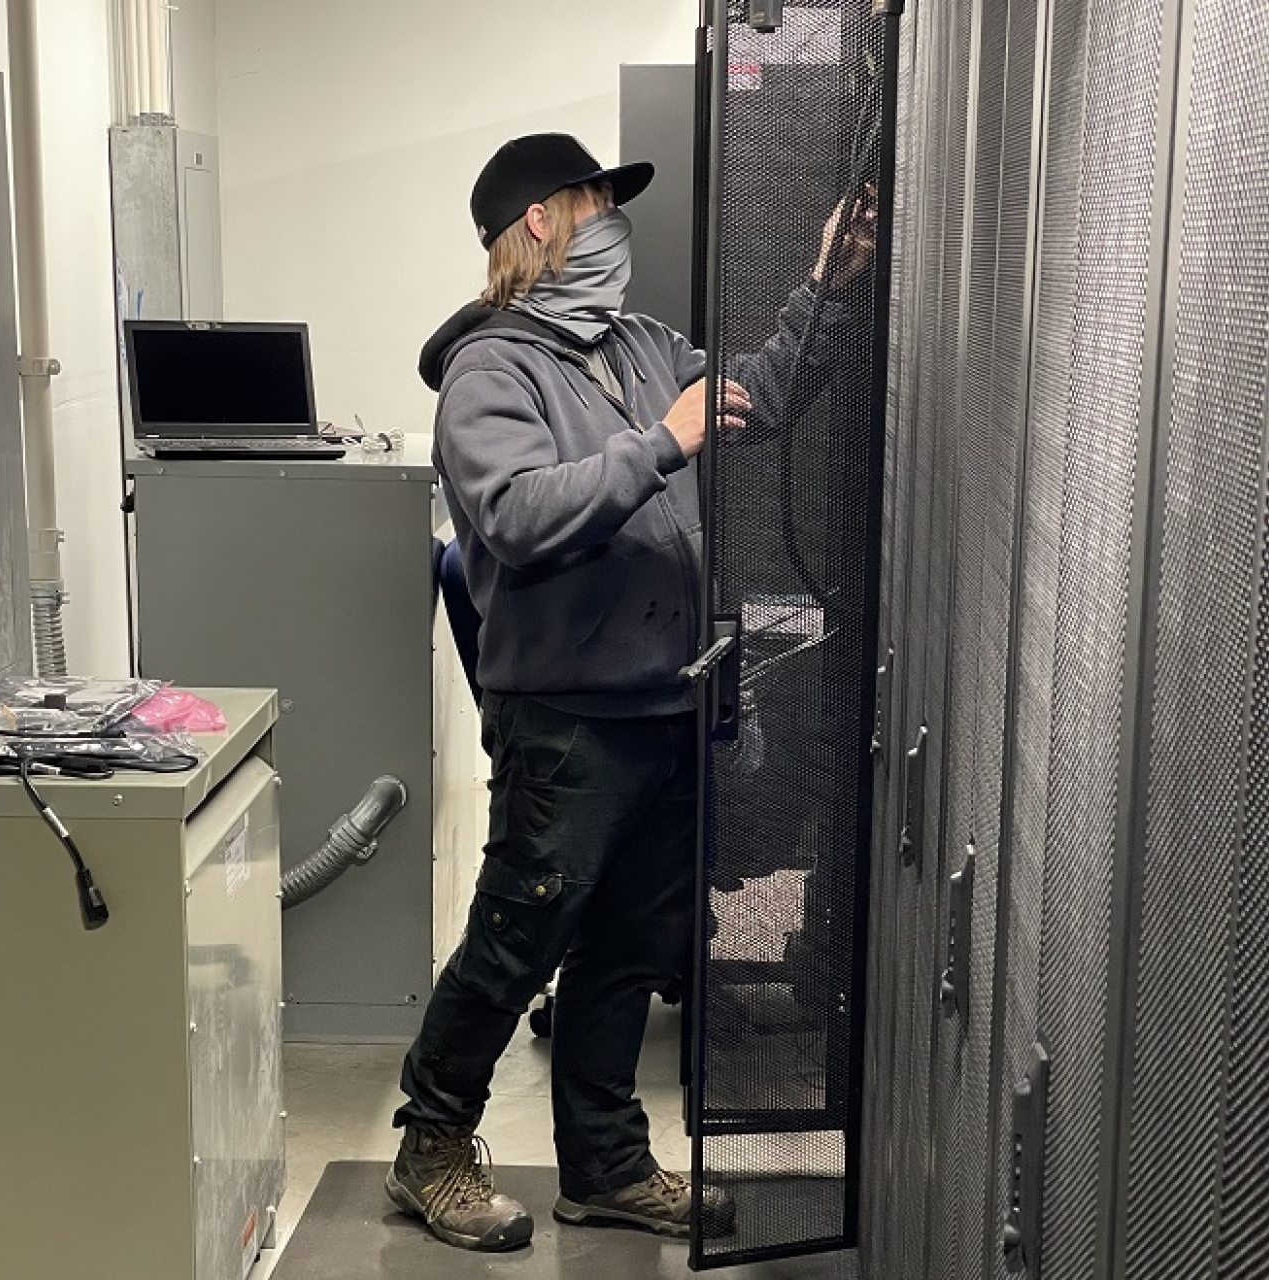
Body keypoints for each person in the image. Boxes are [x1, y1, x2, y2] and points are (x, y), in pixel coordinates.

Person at [387, 132, 876, 1252]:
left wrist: (824, 290)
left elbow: (754, 397)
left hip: (666, 699)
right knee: (521, 934)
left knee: (631, 940)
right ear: (539, 226)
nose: (617, 222)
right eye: (597, 203)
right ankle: (430, 1142)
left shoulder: (643, 345)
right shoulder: (490, 372)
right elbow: (514, 514)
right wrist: (660, 444)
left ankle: (603, 1164)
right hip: (566, 717)